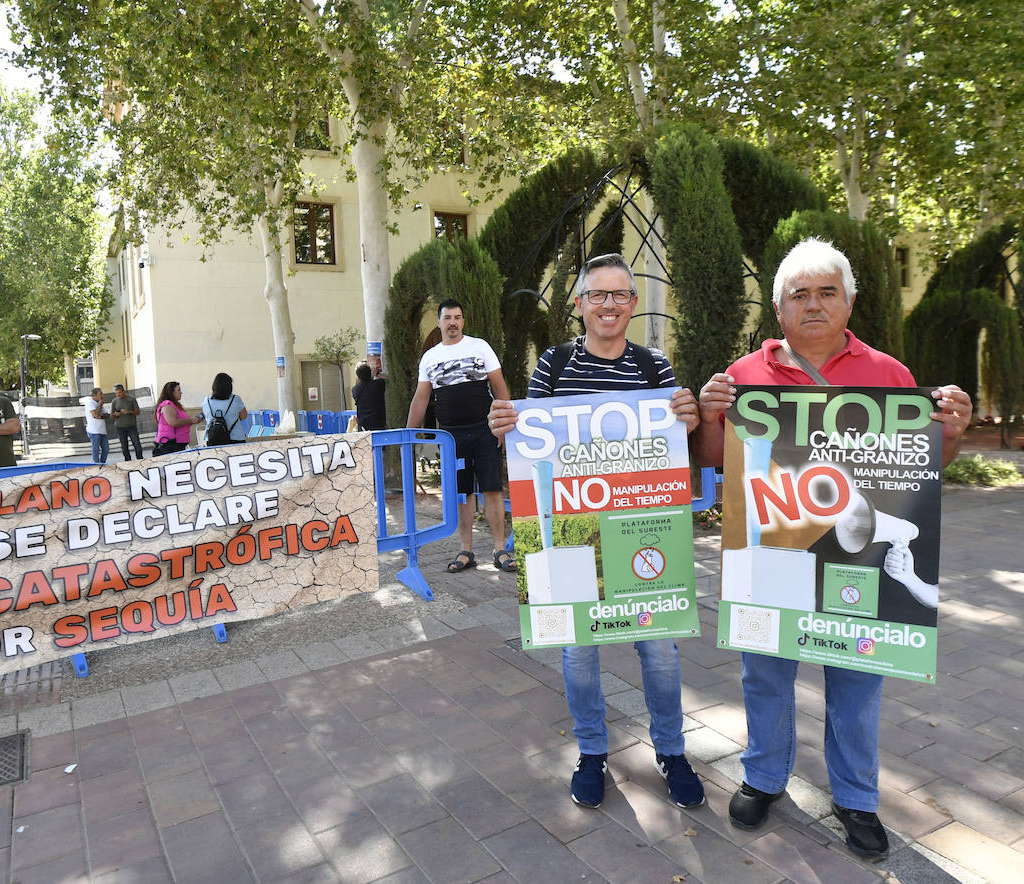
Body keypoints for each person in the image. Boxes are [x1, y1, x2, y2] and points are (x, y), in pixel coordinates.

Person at [692, 237, 973, 858]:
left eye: (827, 292)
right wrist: (708, 418)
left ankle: (855, 798)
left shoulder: (889, 375)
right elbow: (714, 464)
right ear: (778, 307)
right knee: (764, 672)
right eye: (800, 294)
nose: (813, 304)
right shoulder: (743, 375)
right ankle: (764, 777)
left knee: (857, 677)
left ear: (849, 301)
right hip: (773, 552)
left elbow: (918, 468)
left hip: (859, 560)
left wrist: (949, 433)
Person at [487, 253, 706, 811]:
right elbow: (529, 443)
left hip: (641, 526)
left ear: (633, 305)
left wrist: (689, 415)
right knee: (579, 654)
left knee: (659, 650)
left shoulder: (656, 367)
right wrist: (504, 426)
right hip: (570, 525)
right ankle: (591, 751)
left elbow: (679, 443)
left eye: (620, 295)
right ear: (580, 304)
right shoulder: (554, 364)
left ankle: (672, 751)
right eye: (598, 295)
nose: (609, 304)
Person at [406, 299, 514, 573]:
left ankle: (500, 549)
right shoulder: (430, 357)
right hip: (452, 437)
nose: (453, 322)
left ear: (462, 321)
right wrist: (408, 436)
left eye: (457, 317)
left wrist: (502, 426)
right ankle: (466, 550)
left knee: (492, 489)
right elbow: (421, 399)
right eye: (447, 318)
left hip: (485, 430)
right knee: (462, 494)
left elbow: (500, 387)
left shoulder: (480, 347)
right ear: (440, 323)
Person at [154, 381, 202, 455]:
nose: (181, 392)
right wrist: (190, 420)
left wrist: (192, 421)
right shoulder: (167, 405)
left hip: (177, 444)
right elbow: (173, 422)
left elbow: (181, 423)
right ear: (171, 392)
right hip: (170, 444)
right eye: (178, 390)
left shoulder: (175, 405)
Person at [202, 372, 249, 446]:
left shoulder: (206, 400)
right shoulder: (236, 399)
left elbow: (206, 416)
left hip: (213, 438)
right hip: (235, 438)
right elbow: (244, 416)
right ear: (229, 386)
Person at [110, 384, 144, 460]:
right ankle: (128, 461)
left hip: (131, 426)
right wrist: (116, 414)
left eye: (119, 392)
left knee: (137, 445)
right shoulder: (114, 401)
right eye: (116, 393)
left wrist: (129, 412)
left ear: (123, 391)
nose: (118, 395)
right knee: (124, 447)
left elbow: (138, 412)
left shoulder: (131, 399)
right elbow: (112, 416)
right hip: (120, 427)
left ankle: (140, 460)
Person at [352, 362, 387, 430]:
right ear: (369, 373)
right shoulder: (379, 384)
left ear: (358, 376)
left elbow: (360, 384)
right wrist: (375, 374)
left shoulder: (355, 390)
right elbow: (386, 378)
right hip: (379, 424)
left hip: (363, 426)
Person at [83, 387, 110, 464]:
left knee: (106, 449)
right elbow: (95, 415)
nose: (102, 395)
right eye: (100, 394)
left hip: (102, 430)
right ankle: (96, 464)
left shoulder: (99, 403)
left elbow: (106, 415)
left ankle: (102, 463)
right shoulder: (90, 403)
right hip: (94, 430)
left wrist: (101, 416)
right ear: (94, 395)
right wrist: (100, 406)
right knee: (96, 449)